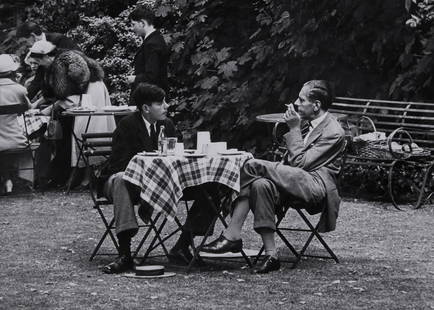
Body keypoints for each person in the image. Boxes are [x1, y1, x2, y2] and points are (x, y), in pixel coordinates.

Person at [201, 80, 346, 274]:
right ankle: (271, 255)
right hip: (295, 179)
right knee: (260, 184)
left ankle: (232, 232)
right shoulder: (307, 122)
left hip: (316, 184)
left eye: (301, 100)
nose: (295, 103)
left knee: (251, 165)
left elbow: (301, 164)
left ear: (317, 105)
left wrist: (294, 128)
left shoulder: (334, 132)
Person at [101, 83, 218, 274]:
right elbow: (119, 164)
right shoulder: (128, 125)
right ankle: (124, 254)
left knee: (211, 186)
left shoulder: (167, 125)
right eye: (161, 103)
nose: (166, 106)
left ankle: (183, 244)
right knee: (122, 179)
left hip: (162, 183)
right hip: (125, 181)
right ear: (146, 108)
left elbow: (175, 157)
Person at [16, 22, 80, 101]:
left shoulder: (59, 40)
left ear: (33, 36)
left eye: (24, 42)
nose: (25, 46)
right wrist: (23, 102)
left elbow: (78, 63)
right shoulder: (36, 50)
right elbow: (38, 80)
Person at [0, 54, 32, 194]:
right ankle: (17, 178)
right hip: (16, 140)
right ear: (13, 72)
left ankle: (6, 179)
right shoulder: (19, 89)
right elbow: (28, 108)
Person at [127, 6, 169, 105]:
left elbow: (152, 76)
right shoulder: (155, 39)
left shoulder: (152, 44)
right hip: (152, 97)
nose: (132, 28)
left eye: (133, 24)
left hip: (151, 99)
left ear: (142, 23)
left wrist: (134, 79)